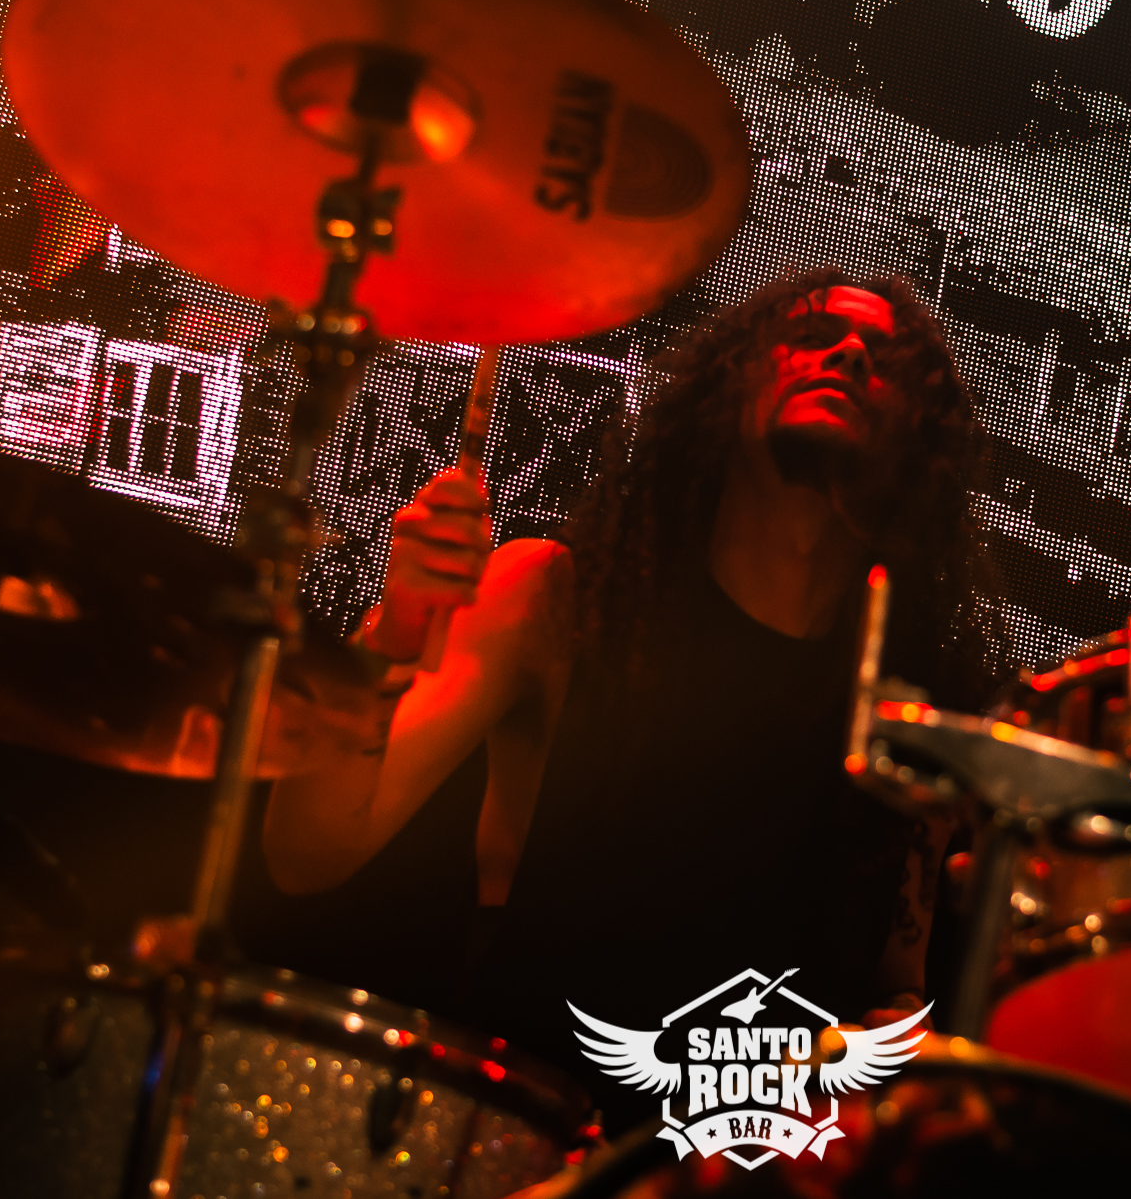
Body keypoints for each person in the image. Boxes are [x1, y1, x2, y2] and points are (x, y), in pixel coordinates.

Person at [259, 269, 1003, 1123]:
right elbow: (309, 855)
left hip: (755, 1169)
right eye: (808, 335)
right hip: (545, 1146)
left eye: (887, 359)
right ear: (726, 391)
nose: (847, 354)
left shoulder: (912, 712)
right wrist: (395, 628)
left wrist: (898, 1059)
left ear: (921, 441)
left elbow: (894, 984)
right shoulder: (554, 601)